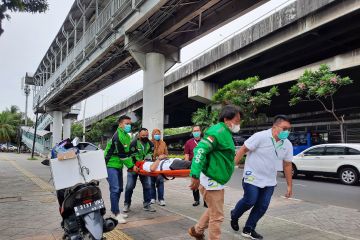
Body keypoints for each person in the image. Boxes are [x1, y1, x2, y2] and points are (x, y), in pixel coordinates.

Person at [230, 115, 293, 240]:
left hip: (269, 180)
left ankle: (248, 229)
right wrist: (231, 167)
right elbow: (242, 150)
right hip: (252, 176)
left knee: (262, 206)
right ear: (275, 127)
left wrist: (289, 185)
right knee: (250, 200)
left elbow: (287, 165)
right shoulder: (260, 136)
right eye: (284, 128)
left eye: (289, 129)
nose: (287, 132)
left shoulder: (287, 144)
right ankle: (235, 214)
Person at [188, 105, 241, 240]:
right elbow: (199, 150)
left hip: (216, 179)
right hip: (212, 180)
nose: (238, 124)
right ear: (226, 119)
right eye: (237, 120)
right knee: (217, 216)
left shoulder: (225, 132)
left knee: (213, 210)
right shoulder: (217, 132)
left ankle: (197, 230)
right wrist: (194, 175)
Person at [104, 115, 137, 224]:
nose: (129, 125)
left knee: (119, 189)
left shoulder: (126, 136)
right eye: (126, 123)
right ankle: (116, 214)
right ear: (120, 124)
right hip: (109, 165)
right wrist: (132, 167)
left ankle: (115, 210)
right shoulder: (118, 136)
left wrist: (133, 163)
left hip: (118, 165)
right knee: (115, 189)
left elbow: (127, 153)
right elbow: (122, 155)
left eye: (129, 124)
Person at [123, 128, 156, 213]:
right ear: (139, 135)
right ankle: (127, 204)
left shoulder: (151, 144)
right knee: (130, 186)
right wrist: (134, 166)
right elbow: (132, 156)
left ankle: (147, 204)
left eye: (146, 135)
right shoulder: (133, 143)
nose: (145, 137)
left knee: (148, 185)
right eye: (143, 135)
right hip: (133, 168)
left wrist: (147, 162)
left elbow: (150, 155)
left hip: (144, 169)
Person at [184, 125, 203, 207]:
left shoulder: (205, 141)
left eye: (197, 130)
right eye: (194, 131)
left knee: (204, 184)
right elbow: (186, 155)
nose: (196, 132)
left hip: (204, 166)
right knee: (195, 183)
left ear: (200, 131)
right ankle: (196, 200)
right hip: (193, 165)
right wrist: (186, 166)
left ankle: (206, 201)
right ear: (192, 132)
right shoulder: (189, 142)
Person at [150, 128, 168, 206]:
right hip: (151, 164)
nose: (157, 135)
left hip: (160, 165)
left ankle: (161, 199)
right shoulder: (150, 143)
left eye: (158, 134)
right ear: (153, 135)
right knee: (151, 182)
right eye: (155, 134)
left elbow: (166, 154)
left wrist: (163, 156)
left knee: (160, 181)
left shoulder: (163, 143)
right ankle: (152, 198)